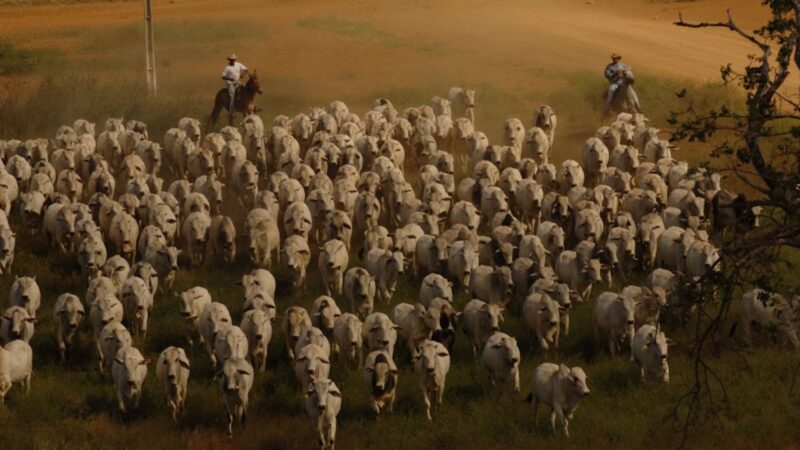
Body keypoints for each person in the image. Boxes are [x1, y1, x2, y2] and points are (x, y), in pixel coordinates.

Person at [221, 54, 248, 118]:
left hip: (238, 82)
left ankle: (250, 106)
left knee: (246, 90)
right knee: (232, 96)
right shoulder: (227, 67)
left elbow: (246, 70)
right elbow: (223, 76)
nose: (233, 61)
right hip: (230, 83)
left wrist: (242, 74)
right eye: (231, 60)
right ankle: (232, 111)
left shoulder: (238, 64)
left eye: (234, 60)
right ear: (229, 60)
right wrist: (230, 78)